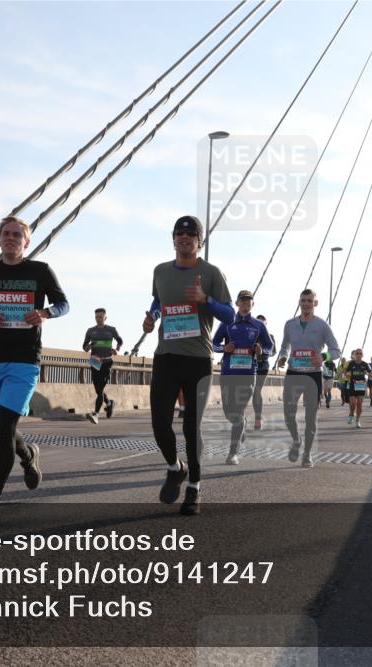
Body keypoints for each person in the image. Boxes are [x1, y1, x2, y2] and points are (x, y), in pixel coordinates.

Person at [0, 216, 68, 523]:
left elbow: (64, 303)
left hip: (24, 360)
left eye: (16, 235)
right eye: (5, 234)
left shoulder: (40, 271)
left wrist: (45, 313)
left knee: (6, 430)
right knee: (4, 431)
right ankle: (28, 455)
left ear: (26, 242)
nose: (10, 239)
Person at [142, 215, 233, 515]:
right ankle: (174, 466)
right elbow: (158, 301)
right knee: (159, 423)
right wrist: (152, 316)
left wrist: (206, 299)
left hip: (197, 360)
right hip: (166, 356)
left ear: (199, 241)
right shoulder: (160, 271)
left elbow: (230, 315)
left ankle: (194, 487)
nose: (185, 238)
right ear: (174, 239)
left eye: (191, 235)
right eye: (180, 234)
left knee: (191, 427)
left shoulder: (211, 273)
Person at [277, 289, 341, 468]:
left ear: (315, 303)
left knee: (310, 417)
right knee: (288, 414)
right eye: (303, 300)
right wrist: (283, 356)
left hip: (313, 374)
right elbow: (285, 346)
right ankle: (296, 440)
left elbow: (336, 351)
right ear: (299, 302)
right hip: (294, 373)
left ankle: (307, 454)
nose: (306, 304)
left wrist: (324, 357)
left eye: (309, 301)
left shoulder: (322, 326)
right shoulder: (289, 324)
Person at [212, 290, 271, 465]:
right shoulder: (227, 323)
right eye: (242, 301)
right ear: (237, 304)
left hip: (248, 374)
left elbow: (270, 347)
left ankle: (232, 453)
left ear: (253, 304)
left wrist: (262, 351)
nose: (245, 304)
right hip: (228, 373)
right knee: (229, 412)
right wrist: (224, 349)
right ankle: (242, 425)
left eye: (249, 301)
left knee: (237, 413)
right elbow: (214, 343)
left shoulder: (258, 325)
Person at [83, 308, 123, 424]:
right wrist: (88, 347)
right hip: (95, 362)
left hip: (106, 362)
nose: (98, 319)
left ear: (105, 318)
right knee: (98, 389)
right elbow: (84, 345)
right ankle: (109, 403)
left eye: (100, 317)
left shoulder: (111, 330)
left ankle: (95, 414)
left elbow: (120, 341)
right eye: (96, 317)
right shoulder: (91, 331)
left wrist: (117, 349)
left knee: (100, 390)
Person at [252, 314, 276, 430]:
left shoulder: (270, 336)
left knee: (256, 391)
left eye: (263, 324)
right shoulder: (249, 334)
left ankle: (258, 418)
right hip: (249, 365)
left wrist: (263, 351)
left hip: (262, 366)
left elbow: (273, 351)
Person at [345, 349, 372, 428]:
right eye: (357, 353)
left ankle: (357, 420)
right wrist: (346, 375)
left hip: (361, 386)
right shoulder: (351, 363)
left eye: (360, 353)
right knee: (353, 404)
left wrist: (369, 374)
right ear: (355, 355)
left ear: (362, 355)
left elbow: (371, 373)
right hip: (352, 385)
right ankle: (351, 414)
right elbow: (345, 372)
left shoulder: (365, 364)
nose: (358, 355)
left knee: (359, 404)